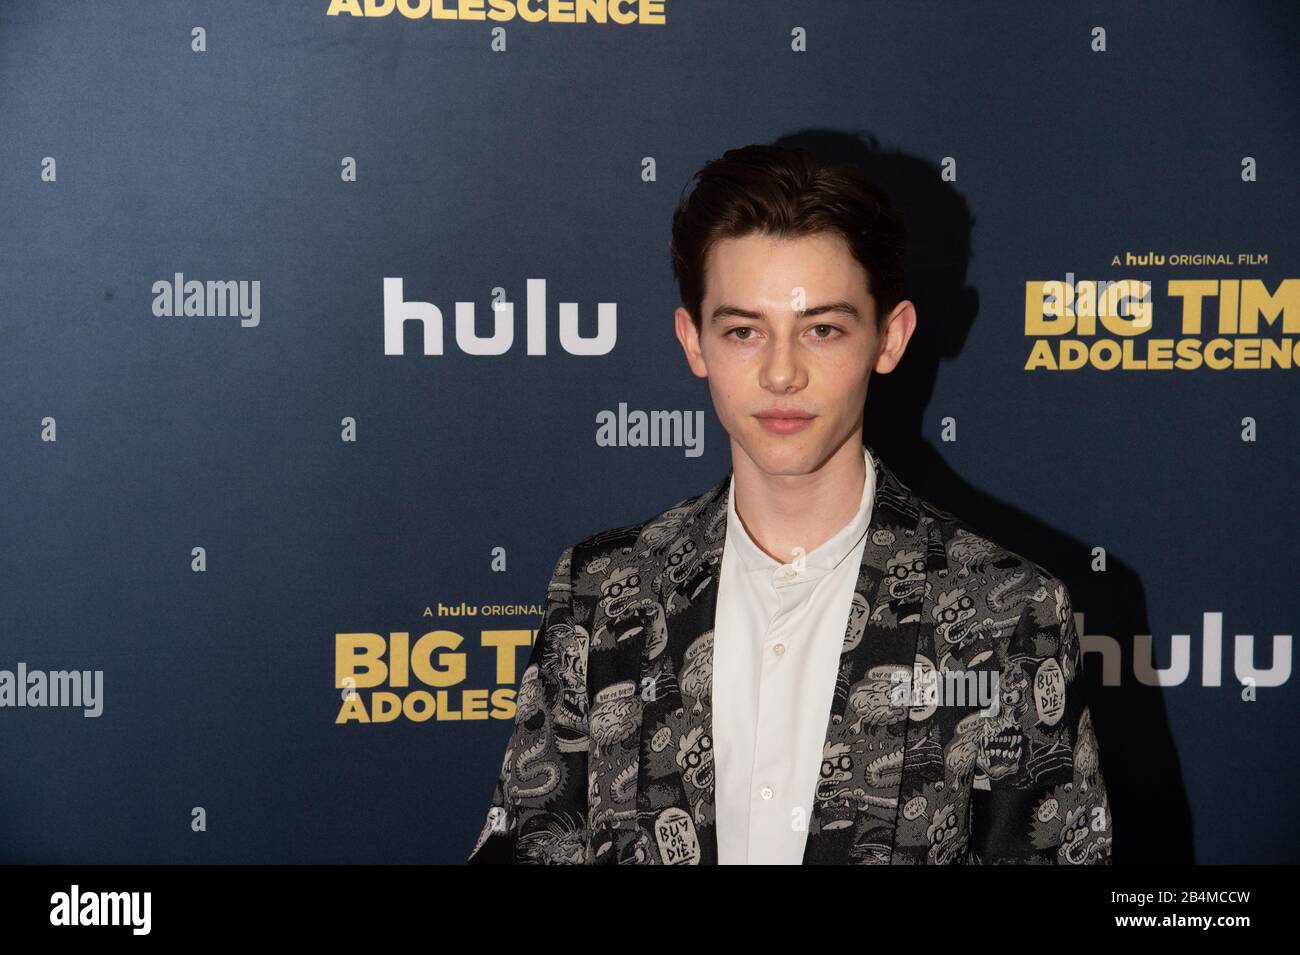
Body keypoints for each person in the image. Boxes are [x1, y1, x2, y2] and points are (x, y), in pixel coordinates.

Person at [467, 144, 1112, 865]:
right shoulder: (599, 592)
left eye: (822, 329)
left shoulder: (1008, 611)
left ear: (889, 338)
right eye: (744, 330)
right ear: (695, 341)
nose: (780, 372)